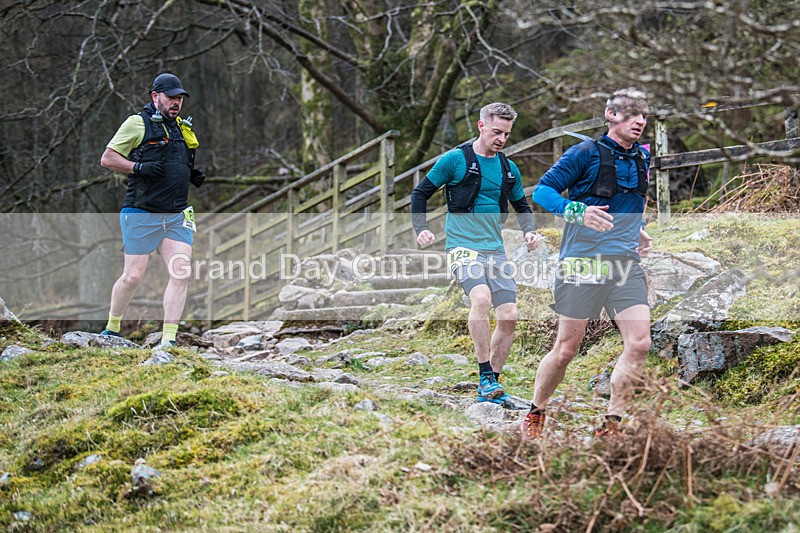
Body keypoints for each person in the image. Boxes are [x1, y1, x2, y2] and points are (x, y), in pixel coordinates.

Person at [522, 87, 654, 439]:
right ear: (611, 115)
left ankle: (612, 425)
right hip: (582, 262)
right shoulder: (584, 152)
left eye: (644, 114)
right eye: (631, 113)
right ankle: (536, 412)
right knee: (566, 348)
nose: (639, 120)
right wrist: (577, 211)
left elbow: (632, 200)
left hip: (624, 263)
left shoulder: (642, 157)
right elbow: (543, 191)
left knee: (640, 342)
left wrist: (638, 229)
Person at [411, 102, 541, 406]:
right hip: (462, 246)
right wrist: (421, 228)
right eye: (497, 131)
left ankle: (491, 383)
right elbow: (419, 193)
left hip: (494, 249)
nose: (501, 139)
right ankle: (484, 372)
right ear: (481, 126)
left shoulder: (509, 168)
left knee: (509, 316)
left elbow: (522, 206)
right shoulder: (455, 160)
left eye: (506, 134)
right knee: (481, 299)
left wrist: (529, 231)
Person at [99, 72, 206, 349]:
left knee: (180, 271)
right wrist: (138, 167)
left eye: (180, 98)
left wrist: (190, 174)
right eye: (171, 97)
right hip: (141, 211)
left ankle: (169, 339)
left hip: (177, 215)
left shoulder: (183, 127)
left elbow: (175, 159)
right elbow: (108, 158)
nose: (176, 103)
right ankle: (112, 328)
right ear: (155, 96)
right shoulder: (137, 124)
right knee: (133, 276)